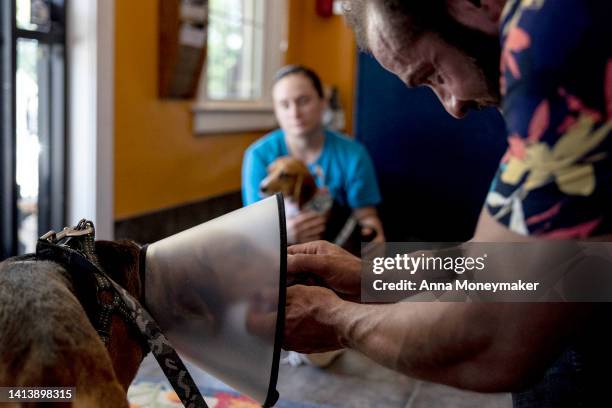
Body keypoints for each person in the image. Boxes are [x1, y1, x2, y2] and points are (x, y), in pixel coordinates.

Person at [283, 0, 612, 405]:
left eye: (434, 73)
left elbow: (492, 336)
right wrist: (373, 275)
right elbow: (497, 262)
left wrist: (334, 320)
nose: (453, 106)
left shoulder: (556, 34)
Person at [242, 65, 385, 245]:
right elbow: (253, 226)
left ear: (323, 102)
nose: (294, 113)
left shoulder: (354, 154)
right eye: (284, 104)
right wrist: (284, 236)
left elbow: (366, 215)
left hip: (338, 249)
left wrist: (373, 244)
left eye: (303, 101)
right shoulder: (258, 155)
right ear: (276, 111)